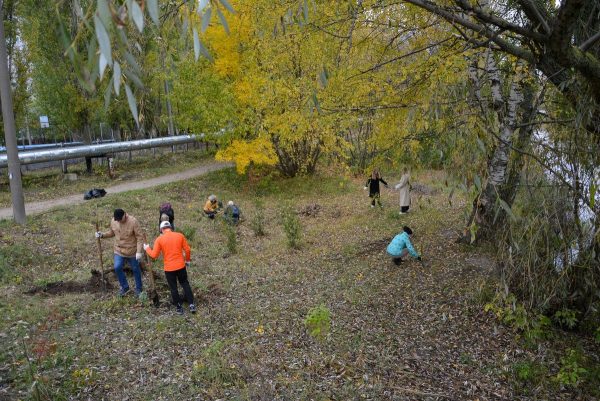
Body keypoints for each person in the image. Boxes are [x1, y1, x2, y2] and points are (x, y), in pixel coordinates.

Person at [144, 221, 195, 315]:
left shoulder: (159, 239)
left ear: (161, 229)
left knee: (173, 288)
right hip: (181, 266)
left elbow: (154, 255)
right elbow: (187, 249)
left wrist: (147, 248)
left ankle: (179, 307)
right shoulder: (180, 235)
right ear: (170, 227)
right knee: (185, 284)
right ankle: (191, 304)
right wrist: (187, 260)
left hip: (169, 269)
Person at [95, 208, 144, 296]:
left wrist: (139, 251)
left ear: (124, 215)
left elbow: (139, 237)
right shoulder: (114, 221)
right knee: (117, 267)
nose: (119, 221)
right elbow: (112, 233)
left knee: (136, 269)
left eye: (120, 219)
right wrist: (102, 235)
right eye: (117, 220)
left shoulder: (133, 222)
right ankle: (124, 287)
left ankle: (139, 289)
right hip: (119, 250)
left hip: (132, 251)